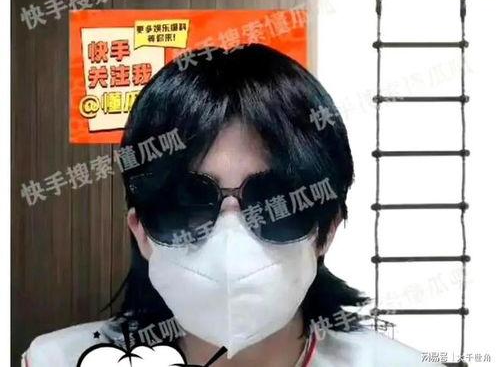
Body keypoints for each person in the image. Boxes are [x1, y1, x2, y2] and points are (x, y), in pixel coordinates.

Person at [24, 44, 443, 366]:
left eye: (274, 201)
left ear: (326, 231)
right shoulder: (57, 361)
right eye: (188, 201)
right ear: (141, 230)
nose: (230, 241)